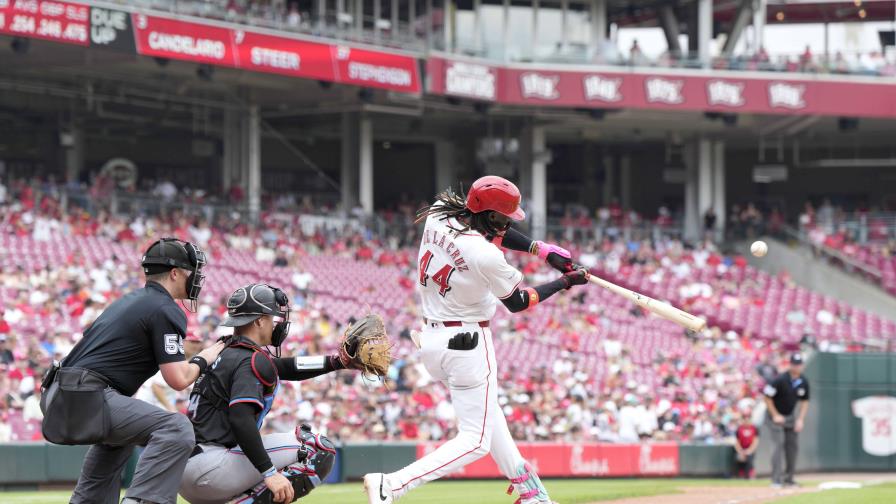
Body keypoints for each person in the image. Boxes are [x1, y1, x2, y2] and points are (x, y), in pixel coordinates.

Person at [363, 175, 589, 504]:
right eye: (505, 217)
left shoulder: (441, 212)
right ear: (493, 216)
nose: (509, 222)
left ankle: (532, 495)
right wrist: (565, 281)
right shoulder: (485, 255)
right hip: (467, 344)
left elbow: (488, 230)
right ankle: (393, 485)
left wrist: (539, 249)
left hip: (432, 339)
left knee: (487, 412)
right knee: (476, 440)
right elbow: (518, 303)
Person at [41, 238, 226, 504]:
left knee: (118, 442)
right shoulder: (165, 308)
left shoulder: (132, 301)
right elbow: (178, 379)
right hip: (86, 394)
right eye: (190, 272)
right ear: (175, 273)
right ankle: (142, 501)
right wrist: (205, 358)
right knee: (176, 428)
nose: (195, 278)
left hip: (65, 392)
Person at [180, 283, 371, 503]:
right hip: (212, 468)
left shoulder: (228, 351)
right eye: (271, 318)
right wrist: (268, 472)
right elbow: (240, 418)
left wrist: (338, 361)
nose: (275, 324)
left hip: (192, 469)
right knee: (316, 447)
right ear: (260, 320)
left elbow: (285, 367)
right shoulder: (249, 358)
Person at [763, 352, 810, 488]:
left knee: (792, 447)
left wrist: (800, 419)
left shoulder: (803, 381)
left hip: (790, 417)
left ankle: (789, 479)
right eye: (795, 364)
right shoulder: (780, 380)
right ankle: (776, 480)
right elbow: (767, 397)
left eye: (799, 364)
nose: (797, 367)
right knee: (777, 446)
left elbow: (805, 401)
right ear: (790, 365)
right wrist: (775, 415)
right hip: (774, 416)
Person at [733, 412, 758, 479]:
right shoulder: (739, 429)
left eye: (748, 418)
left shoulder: (754, 428)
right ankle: (741, 474)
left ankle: (750, 474)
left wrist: (749, 450)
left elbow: (755, 442)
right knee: (738, 458)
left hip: (750, 449)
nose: (746, 420)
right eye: (745, 419)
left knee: (750, 458)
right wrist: (740, 451)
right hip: (741, 448)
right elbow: (737, 442)